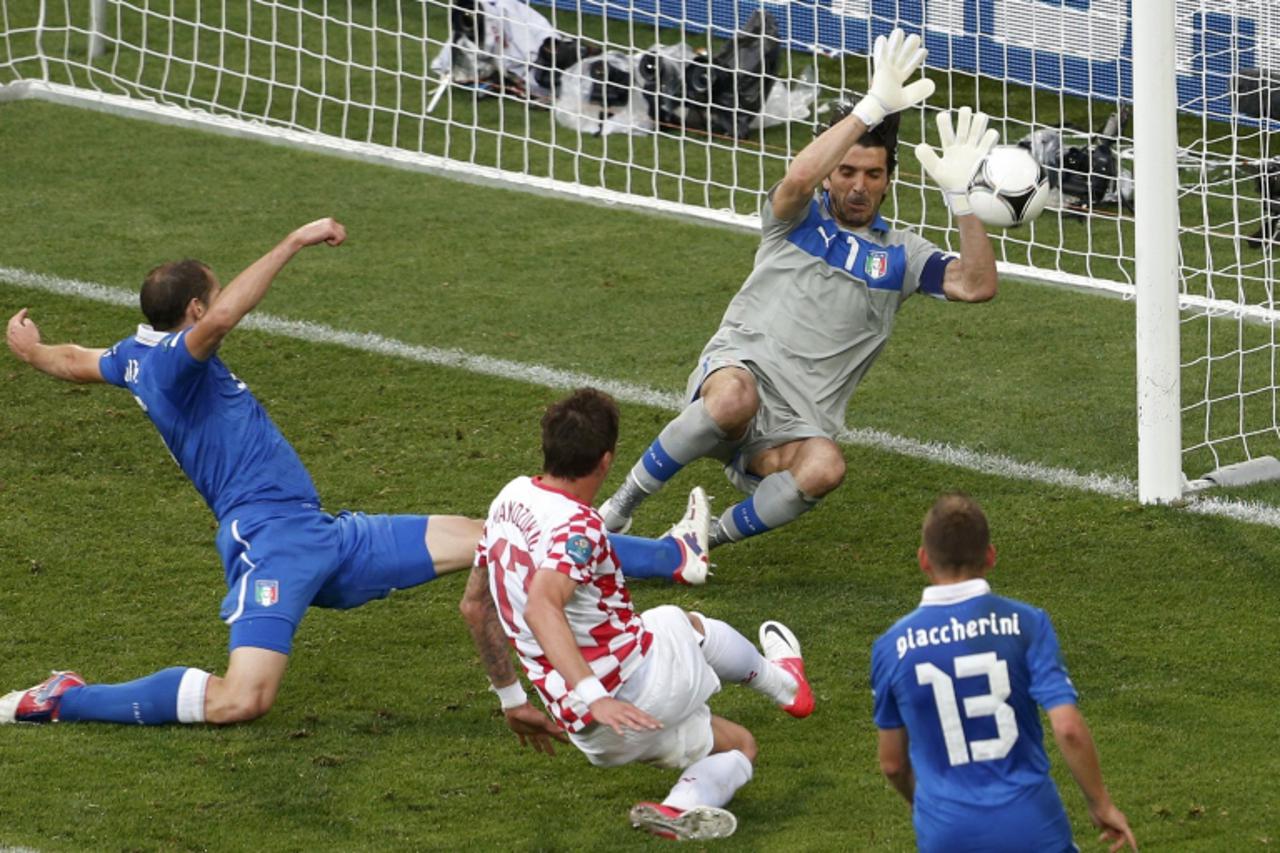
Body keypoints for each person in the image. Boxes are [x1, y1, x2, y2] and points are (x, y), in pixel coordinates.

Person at [1, 218, 706, 728]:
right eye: (206, 301)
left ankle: (676, 555)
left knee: (504, 536)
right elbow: (222, 319)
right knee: (241, 700)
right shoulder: (172, 362)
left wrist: (30, 350)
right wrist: (293, 243)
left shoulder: (132, 354)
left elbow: (75, 360)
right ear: (190, 311)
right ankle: (65, 695)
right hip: (270, 544)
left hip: (324, 534)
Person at [599, 29, 1000, 548]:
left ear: (888, 180)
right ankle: (618, 509)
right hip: (739, 371)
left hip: (794, 425)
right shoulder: (796, 219)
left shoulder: (903, 255)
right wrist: (872, 106)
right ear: (830, 175)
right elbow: (796, 180)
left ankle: (694, 544)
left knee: (826, 466)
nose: (859, 185)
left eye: (873, 174)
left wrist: (962, 199)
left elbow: (977, 284)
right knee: (734, 399)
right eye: (847, 171)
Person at [459, 388, 814, 840]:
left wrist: (512, 700)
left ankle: (675, 809)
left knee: (740, 746)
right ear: (606, 461)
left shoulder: (505, 501)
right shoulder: (578, 525)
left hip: (593, 734)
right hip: (634, 686)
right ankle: (786, 685)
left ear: (546, 448)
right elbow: (542, 604)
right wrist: (597, 694)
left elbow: (473, 605)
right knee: (681, 622)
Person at [870, 493, 1137, 852]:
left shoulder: (892, 645)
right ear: (991, 556)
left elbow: (892, 764)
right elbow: (1069, 728)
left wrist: (931, 809)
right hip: (1031, 826)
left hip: (946, 835)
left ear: (923, 560)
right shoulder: (1026, 624)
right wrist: (1100, 802)